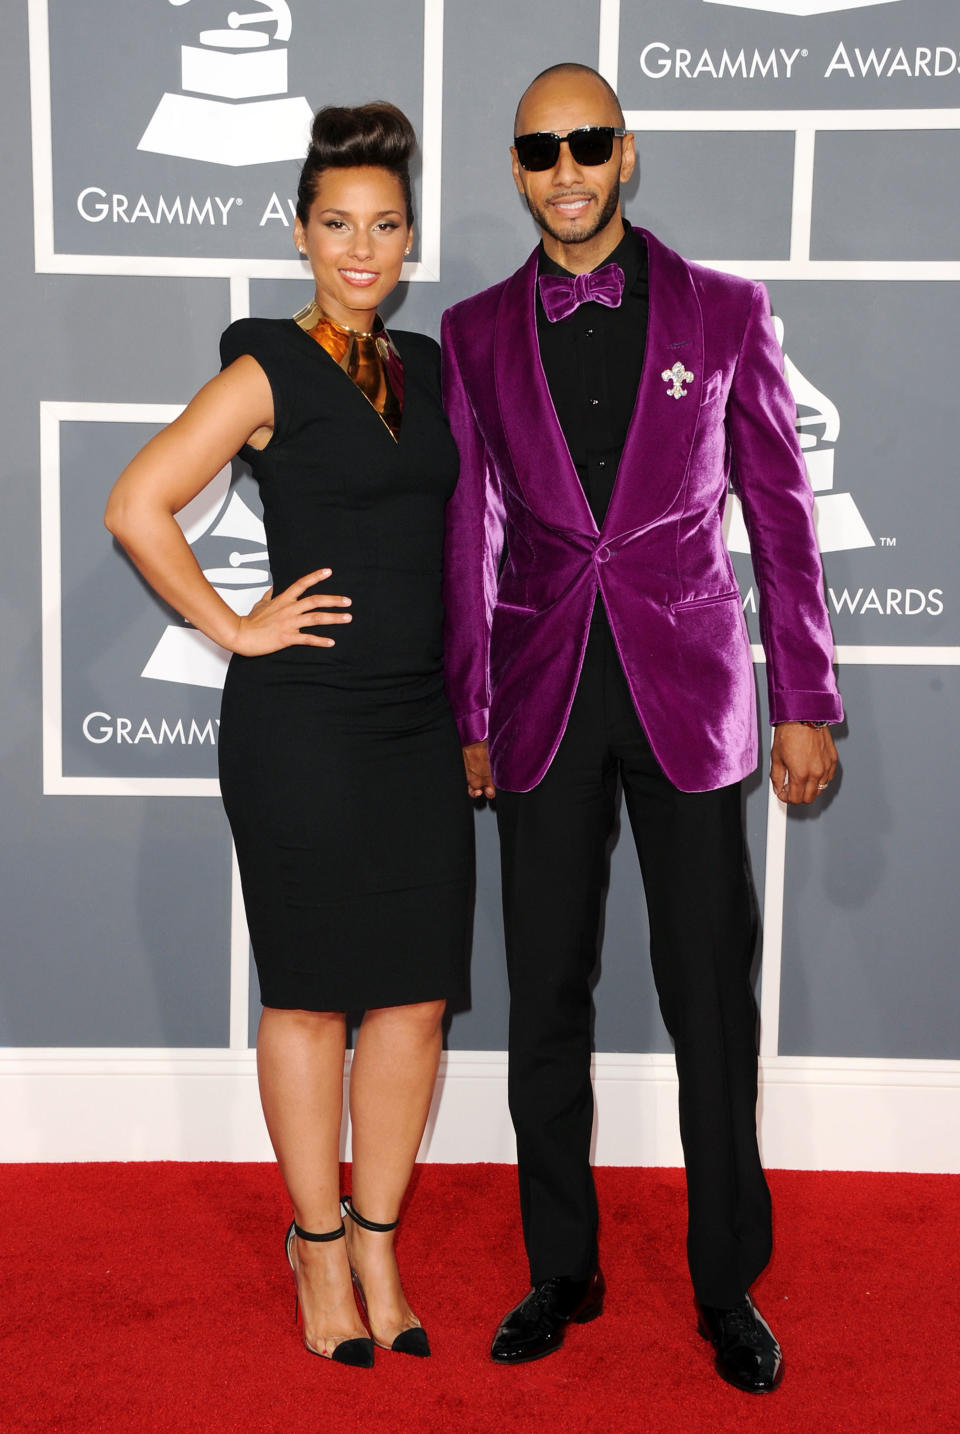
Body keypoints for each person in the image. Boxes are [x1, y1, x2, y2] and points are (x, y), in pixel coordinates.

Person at [440, 63, 842, 1393]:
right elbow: (468, 535)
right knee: (545, 995)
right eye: (541, 147)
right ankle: (564, 1264)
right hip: (545, 688)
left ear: (627, 153)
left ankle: (728, 1281)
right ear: (516, 167)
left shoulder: (726, 312)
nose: (566, 166)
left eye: (589, 142)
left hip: (692, 695)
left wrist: (807, 699)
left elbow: (782, 519)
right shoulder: (476, 332)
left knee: (710, 999)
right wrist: (471, 702)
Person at [105, 102, 473, 1368]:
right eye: (336, 225)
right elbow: (138, 500)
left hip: (416, 722)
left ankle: (379, 1234)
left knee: (416, 1001)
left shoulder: (428, 368)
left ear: (410, 237)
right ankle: (317, 1249)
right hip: (302, 729)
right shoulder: (268, 363)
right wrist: (234, 626)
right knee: (313, 998)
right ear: (301, 234)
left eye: (383, 226)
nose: (360, 250)